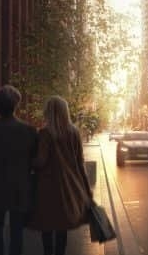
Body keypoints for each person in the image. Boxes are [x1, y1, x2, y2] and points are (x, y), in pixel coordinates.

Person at [0, 85, 38, 255]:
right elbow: (35, 160)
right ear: (16, 105)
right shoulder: (29, 131)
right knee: (17, 229)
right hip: (19, 186)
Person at [28, 97, 93, 255]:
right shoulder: (74, 132)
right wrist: (86, 188)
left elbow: (40, 161)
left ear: (48, 112)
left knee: (47, 226)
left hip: (47, 188)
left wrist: (27, 161)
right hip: (69, 186)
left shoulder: (45, 133)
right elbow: (80, 162)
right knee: (62, 226)